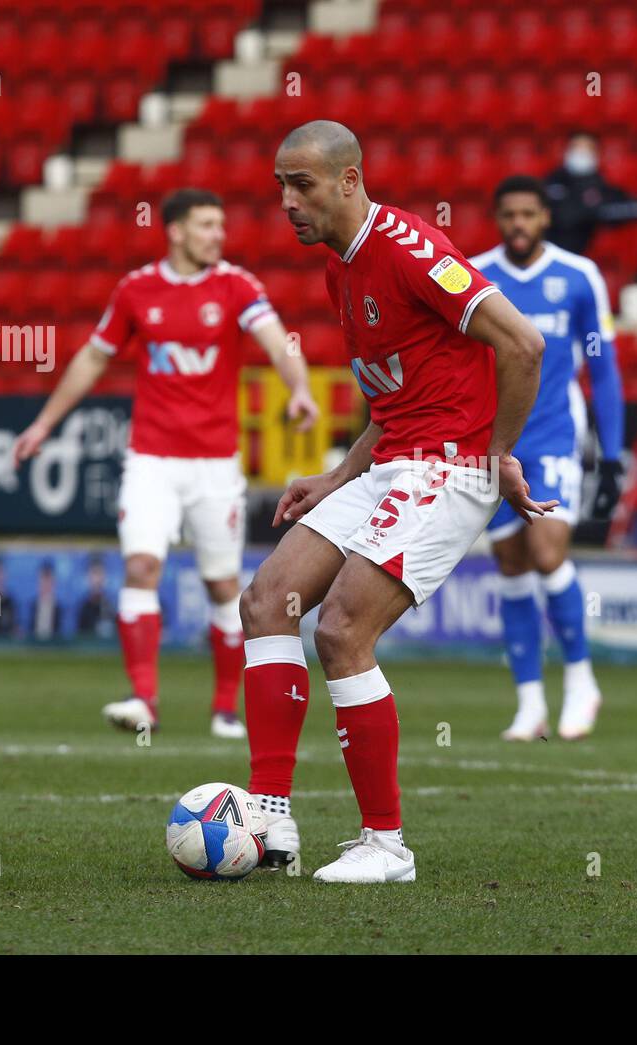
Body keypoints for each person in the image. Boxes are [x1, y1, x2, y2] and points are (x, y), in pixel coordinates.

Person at [239, 120, 549, 883]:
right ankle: (270, 818)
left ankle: (387, 846)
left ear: (349, 180)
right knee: (268, 598)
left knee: (343, 628)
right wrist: (338, 477)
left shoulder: (412, 252)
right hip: (391, 463)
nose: (287, 201)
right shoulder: (340, 268)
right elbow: (392, 400)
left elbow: (525, 343)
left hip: (447, 467)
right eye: (280, 185)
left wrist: (496, 453)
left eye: (301, 184)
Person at [12, 188, 320, 739]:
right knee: (140, 568)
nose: (217, 236)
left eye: (219, 225)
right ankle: (143, 700)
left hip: (214, 465)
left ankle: (225, 709)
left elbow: (278, 343)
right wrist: (44, 423)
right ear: (175, 231)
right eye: (206, 225)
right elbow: (92, 357)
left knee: (224, 586)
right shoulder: (137, 290)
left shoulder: (236, 285)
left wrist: (297, 388)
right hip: (151, 458)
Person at [470, 175, 625, 741]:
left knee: (546, 548)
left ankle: (581, 682)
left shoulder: (579, 277)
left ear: (545, 219)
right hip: (496, 444)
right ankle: (530, 703)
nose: (518, 225)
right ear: (498, 218)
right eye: (508, 214)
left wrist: (613, 456)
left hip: (558, 435)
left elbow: (604, 367)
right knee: (510, 564)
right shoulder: (474, 274)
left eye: (528, 215)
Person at [544, 130, 637, 256]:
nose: (581, 153)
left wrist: (595, 213)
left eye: (587, 148)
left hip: (588, 253)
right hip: (552, 249)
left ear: (596, 153)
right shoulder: (552, 181)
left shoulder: (603, 185)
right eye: (576, 147)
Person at [75, 555, 114, 639]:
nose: (97, 579)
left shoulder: (109, 606)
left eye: (100, 573)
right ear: (89, 577)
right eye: (94, 573)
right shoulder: (83, 607)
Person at [30, 559, 62, 640]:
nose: (45, 584)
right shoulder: (33, 606)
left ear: (53, 582)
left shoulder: (58, 607)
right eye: (43, 579)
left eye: (48, 579)